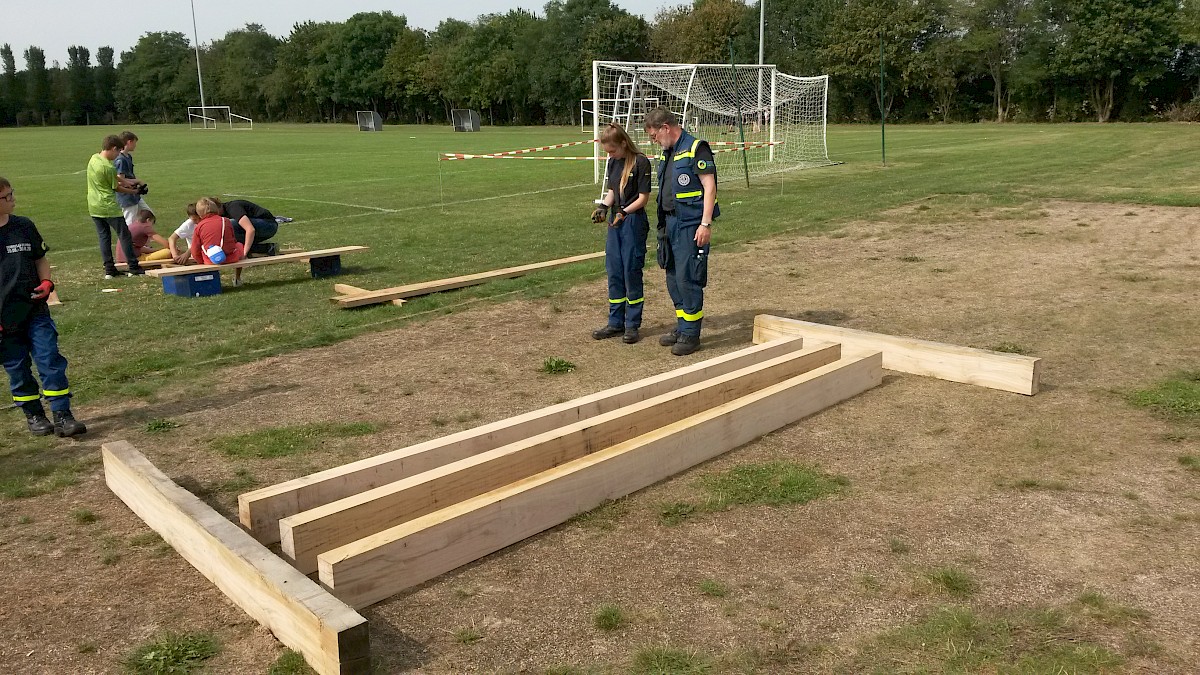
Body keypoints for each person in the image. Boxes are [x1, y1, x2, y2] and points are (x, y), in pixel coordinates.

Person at [0, 177, 87, 437]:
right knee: (17, 369)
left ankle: (63, 414)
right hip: (5, 320)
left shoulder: (24, 226)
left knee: (50, 360)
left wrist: (47, 281)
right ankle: (34, 415)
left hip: (34, 310)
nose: (13, 199)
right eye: (7, 197)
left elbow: (40, 259)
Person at [644, 107, 719, 356]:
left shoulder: (697, 148)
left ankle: (691, 334)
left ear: (666, 128)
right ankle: (681, 325)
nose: (655, 142)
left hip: (690, 225)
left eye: (655, 136)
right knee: (673, 276)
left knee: (688, 278)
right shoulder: (668, 153)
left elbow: (710, 187)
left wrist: (705, 223)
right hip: (669, 223)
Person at [589, 123, 652, 344]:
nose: (611, 155)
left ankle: (632, 325)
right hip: (616, 222)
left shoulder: (641, 162)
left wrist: (624, 212)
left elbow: (643, 198)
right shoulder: (613, 162)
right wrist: (604, 207)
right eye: (607, 152)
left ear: (624, 143)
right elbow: (613, 191)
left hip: (633, 221)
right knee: (614, 270)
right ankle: (615, 322)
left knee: (630, 271)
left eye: (613, 150)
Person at [88, 134, 145, 278]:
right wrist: (135, 190)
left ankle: (109, 270)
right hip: (108, 206)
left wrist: (129, 182)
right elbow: (116, 188)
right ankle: (133, 267)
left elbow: (115, 179)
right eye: (117, 152)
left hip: (94, 205)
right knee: (125, 235)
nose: (117, 156)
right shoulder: (108, 166)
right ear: (113, 148)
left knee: (104, 237)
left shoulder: (94, 158)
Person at [189, 197, 246, 284]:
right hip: (231, 258)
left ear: (199, 214)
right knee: (239, 245)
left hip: (210, 260)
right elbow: (233, 241)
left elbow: (195, 250)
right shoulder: (226, 221)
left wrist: (201, 262)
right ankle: (237, 278)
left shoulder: (199, 226)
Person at [114, 131, 150, 225]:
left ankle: (141, 237)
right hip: (127, 197)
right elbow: (120, 181)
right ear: (129, 142)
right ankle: (128, 239)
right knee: (130, 223)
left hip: (135, 196)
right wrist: (138, 181)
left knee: (148, 216)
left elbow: (129, 176)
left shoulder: (128, 156)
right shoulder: (121, 160)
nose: (135, 145)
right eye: (134, 143)